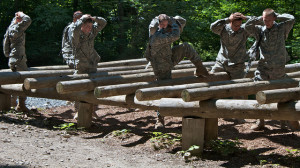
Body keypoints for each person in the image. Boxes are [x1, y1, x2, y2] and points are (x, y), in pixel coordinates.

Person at [145, 14, 209, 129]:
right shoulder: (158, 35)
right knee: (164, 89)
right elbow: (175, 35)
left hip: (167, 58)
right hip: (160, 65)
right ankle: (160, 120)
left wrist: (166, 19)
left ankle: (200, 68)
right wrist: (171, 21)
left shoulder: (164, 30)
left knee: (186, 47)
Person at [245, 8, 299, 131]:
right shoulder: (260, 30)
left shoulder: (281, 28)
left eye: (269, 20)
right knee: (259, 91)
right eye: (264, 20)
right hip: (263, 67)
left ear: (274, 18)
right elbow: (247, 26)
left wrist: (277, 16)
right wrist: (259, 19)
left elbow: (291, 18)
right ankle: (260, 121)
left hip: (278, 68)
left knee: (280, 94)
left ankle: (283, 120)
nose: (266, 23)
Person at [210, 12, 256, 124]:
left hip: (238, 64)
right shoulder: (223, 28)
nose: (237, 27)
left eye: (239, 25)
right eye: (235, 25)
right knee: (210, 83)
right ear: (230, 22)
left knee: (238, 90)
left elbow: (257, 21)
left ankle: (239, 115)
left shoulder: (244, 30)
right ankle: (210, 111)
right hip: (222, 62)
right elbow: (212, 27)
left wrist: (247, 17)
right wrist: (226, 19)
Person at [71, 14, 107, 119]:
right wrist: (82, 19)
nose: (89, 29)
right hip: (81, 66)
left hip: (92, 65)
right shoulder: (76, 35)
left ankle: (92, 110)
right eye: (87, 26)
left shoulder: (92, 33)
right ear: (82, 26)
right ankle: (78, 111)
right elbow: (75, 28)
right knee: (79, 88)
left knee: (92, 88)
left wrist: (94, 18)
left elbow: (103, 22)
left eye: (90, 26)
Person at [3, 11, 31, 112]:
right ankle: (21, 105)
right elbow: (28, 20)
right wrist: (22, 14)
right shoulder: (18, 28)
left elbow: (5, 43)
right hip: (19, 58)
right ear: (19, 20)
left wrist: (8, 55)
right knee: (24, 80)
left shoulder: (10, 28)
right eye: (20, 19)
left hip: (12, 58)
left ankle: (12, 102)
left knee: (14, 79)